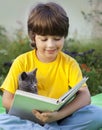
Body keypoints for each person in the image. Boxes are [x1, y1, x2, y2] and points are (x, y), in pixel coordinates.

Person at [0, 2, 102, 130]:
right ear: (33, 37)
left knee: (98, 114)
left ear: (64, 36)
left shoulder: (69, 63)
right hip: (29, 118)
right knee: (2, 120)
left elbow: (85, 96)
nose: (51, 45)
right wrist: (35, 113)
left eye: (57, 38)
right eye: (44, 39)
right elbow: (6, 100)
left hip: (60, 117)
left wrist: (58, 115)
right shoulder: (22, 61)